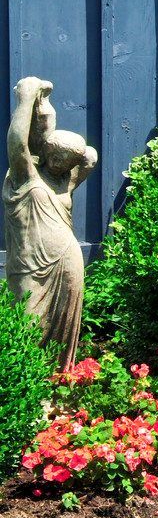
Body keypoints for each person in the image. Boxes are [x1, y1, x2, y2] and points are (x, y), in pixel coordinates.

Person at [4, 77, 95, 367]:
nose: (58, 164)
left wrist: (68, 148)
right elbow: (18, 142)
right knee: (27, 325)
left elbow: (89, 158)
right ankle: (28, 392)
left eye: (65, 161)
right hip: (30, 265)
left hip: (66, 262)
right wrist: (29, 99)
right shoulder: (24, 176)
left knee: (62, 335)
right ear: (45, 150)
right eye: (55, 157)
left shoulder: (65, 182)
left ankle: (58, 387)